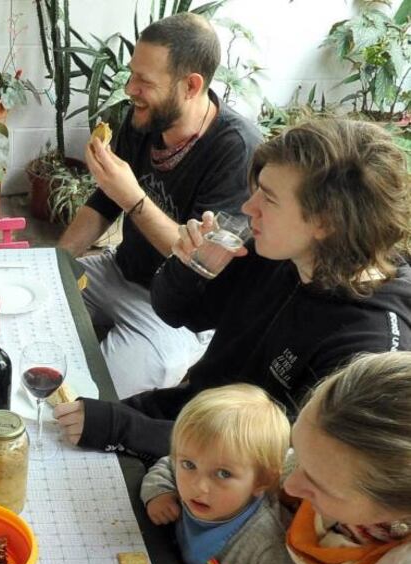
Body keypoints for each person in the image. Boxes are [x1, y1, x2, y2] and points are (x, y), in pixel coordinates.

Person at [57, 118, 411, 463]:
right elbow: (178, 313)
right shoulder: (278, 253)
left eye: (268, 199)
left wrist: (122, 428)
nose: (247, 207)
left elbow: (268, 458)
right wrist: (188, 266)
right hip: (179, 416)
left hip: (217, 473)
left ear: (327, 221)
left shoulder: (367, 349)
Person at [121, 351, 411, 564]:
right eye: (297, 452)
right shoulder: (311, 462)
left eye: (319, 483)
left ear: (399, 511)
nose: (288, 485)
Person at [57, 12, 262, 399]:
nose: (130, 89)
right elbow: (103, 202)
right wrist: (57, 263)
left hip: (175, 312)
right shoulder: (142, 120)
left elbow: (201, 259)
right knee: (32, 305)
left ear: (190, 86)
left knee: (95, 397)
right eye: (132, 74)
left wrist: (132, 197)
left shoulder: (236, 149)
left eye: (145, 81)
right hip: (118, 271)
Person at [141, 384, 300, 564]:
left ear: (263, 481)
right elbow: (167, 466)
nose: (198, 486)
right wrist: (158, 493)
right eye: (190, 464)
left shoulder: (266, 543)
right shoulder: (190, 474)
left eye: (223, 474)